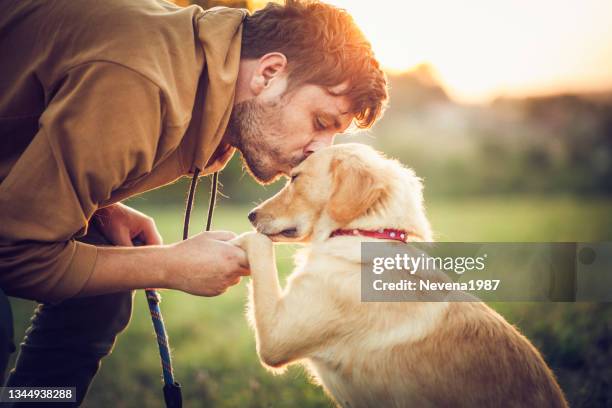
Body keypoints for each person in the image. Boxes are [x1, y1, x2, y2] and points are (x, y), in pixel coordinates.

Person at [0, 0, 387, 404]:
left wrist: (101, 206)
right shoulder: (142, 81)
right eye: (321, 123)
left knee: (102, 295)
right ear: (269, 73)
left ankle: (30, 400)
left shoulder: (202, 71)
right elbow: (14, 254)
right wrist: (170, 265)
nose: (319, 151)